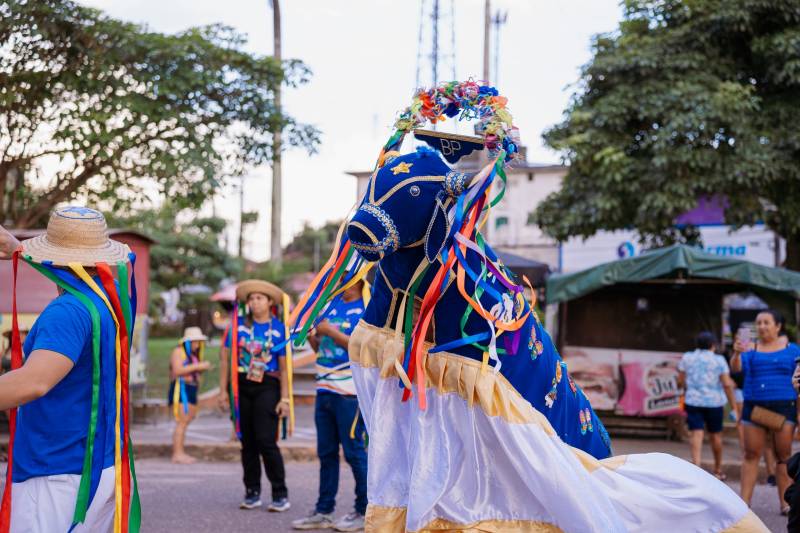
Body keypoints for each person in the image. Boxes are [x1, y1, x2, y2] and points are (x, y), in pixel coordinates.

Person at [0, 207, 138, 532]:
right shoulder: (105, 301)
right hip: (95, 466)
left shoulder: (67, 311)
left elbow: (33, 383)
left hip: (57, 473)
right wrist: (18, 247)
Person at [292, 281, 368, 532]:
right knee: (326, 453)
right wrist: (315, 335)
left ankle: (364, 510)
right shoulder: (330, 307)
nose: (339, 282)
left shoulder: (366, 308)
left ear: (357, 279)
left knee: (355, 453)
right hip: (323, 388)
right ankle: (324, 511)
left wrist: (332, 332)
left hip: (349, 392)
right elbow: (318, 350)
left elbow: (364, 349)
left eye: (344, 277)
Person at [218, 279, 291, 512]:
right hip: (241, 384)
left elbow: (285, 366)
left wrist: (286, 398)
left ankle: (280, 493)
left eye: (259, 298)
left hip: (268, 385)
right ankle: (252, 492)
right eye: (251, 298)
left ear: (270, 302)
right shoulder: (238, 327)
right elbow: (225, 359)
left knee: (266, 441)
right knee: (246, 441)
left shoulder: (279, 328)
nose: (254, 302)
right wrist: (222, 391)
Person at [731, 309, 800, 515]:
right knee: (751, 454)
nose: (761, 326)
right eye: (758, 323)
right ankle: (743, 505)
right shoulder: (749, 349)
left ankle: (785, 503)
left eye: (766, 322)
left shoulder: (792, 350)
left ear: (778, 326)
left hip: (783, 408)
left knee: (783, 456)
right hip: (755, 408)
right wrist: (736, 353)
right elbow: (735, 370)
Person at [678, 331, 738, 480]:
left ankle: (696, 468)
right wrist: (734, 406)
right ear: (713, 345)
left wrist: (690, 387)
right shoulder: (719, 360)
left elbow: (680, 380)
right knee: (716, 435)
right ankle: (717, 469)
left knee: (696, 434)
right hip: (715, 402)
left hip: (693, 400)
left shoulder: (687, 357)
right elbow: (726, 384)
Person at [169, 326, 211, 464]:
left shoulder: (192, 356)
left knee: (186, 421)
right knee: (181, 422)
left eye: (199, 342)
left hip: (191, 389)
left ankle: (181, 451)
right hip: (181, 390)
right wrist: (198, 366)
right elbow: (178, 370)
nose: (197, 344)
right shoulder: (178, 351)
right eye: (194, 341)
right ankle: (177, 453)